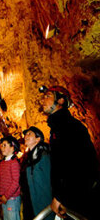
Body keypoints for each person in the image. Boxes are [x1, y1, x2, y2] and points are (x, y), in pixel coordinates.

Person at [40, 85, 100, 220]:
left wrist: (61, 196)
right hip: (68, 198)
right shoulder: (56, 128)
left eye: (48, 96)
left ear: (60, 101)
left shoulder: (69, 126)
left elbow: (77, 164)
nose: (42, 100)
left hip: (77, 199)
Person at [22, 126, 55, 220]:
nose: (25, 136)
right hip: (33, 205)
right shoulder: (29, 159)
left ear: (38, 139)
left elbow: (52, 180)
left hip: (46, 205)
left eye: (29, 134)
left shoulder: (45, 156)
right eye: (25, 134)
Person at [0, 135, 21, 220]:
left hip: (12, 199)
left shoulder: (14, 163)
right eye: (1, 145)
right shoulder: (2, 163)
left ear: (12, 148)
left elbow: (16, 182)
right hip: (3, 198)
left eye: (5, 145)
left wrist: (6, 196)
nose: (2, 147)